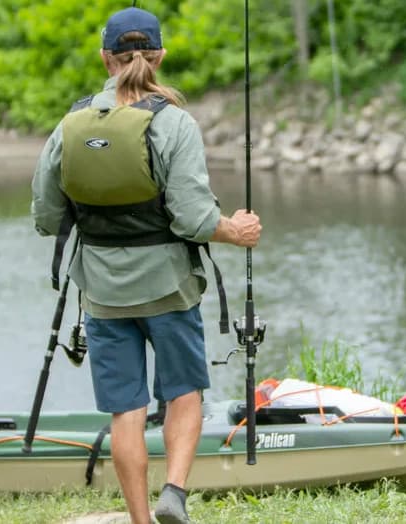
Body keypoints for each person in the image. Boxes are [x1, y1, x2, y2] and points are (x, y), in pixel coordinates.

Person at [30, 6, 262, 524]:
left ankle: (139, 520)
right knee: (184, 392)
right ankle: (174, 494)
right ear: (158, 56)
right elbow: (196, 219)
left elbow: (46, 218)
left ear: (104, 58)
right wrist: (237, 230)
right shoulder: (174, 123)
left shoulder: (69, 125)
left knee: (125, 412)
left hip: (103, 295)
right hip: (168, 289)